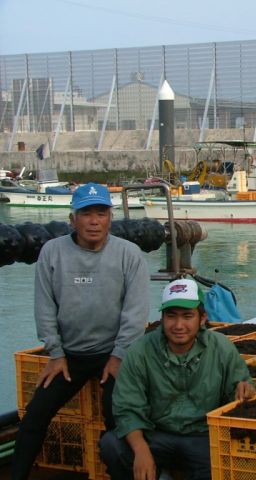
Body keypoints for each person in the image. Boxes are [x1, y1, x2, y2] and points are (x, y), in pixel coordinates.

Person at [12, 183, 150, 480]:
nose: (94, 221)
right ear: (72, 219)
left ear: (110, 218)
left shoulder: (130, 254)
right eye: (86, 213)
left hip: (116, 353)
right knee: (34, 417)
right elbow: (44, 307)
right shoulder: (52, 252)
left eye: (101, 213)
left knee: (117, 418)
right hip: (70, 355)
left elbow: (136, 313)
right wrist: (55, 352)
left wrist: (120, 355)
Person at [99, 278, 255, 480]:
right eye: (171, 316)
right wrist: (141, 451)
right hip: (157, 435)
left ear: (202, 318)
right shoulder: (140, 351)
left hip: (204, 438)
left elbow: (240, 391)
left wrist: (245, 390)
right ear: (162, 318)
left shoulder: (221, 347)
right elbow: (127, 408)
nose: (179, 325)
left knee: (233, 457)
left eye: (187, 316)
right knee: (111, 445)